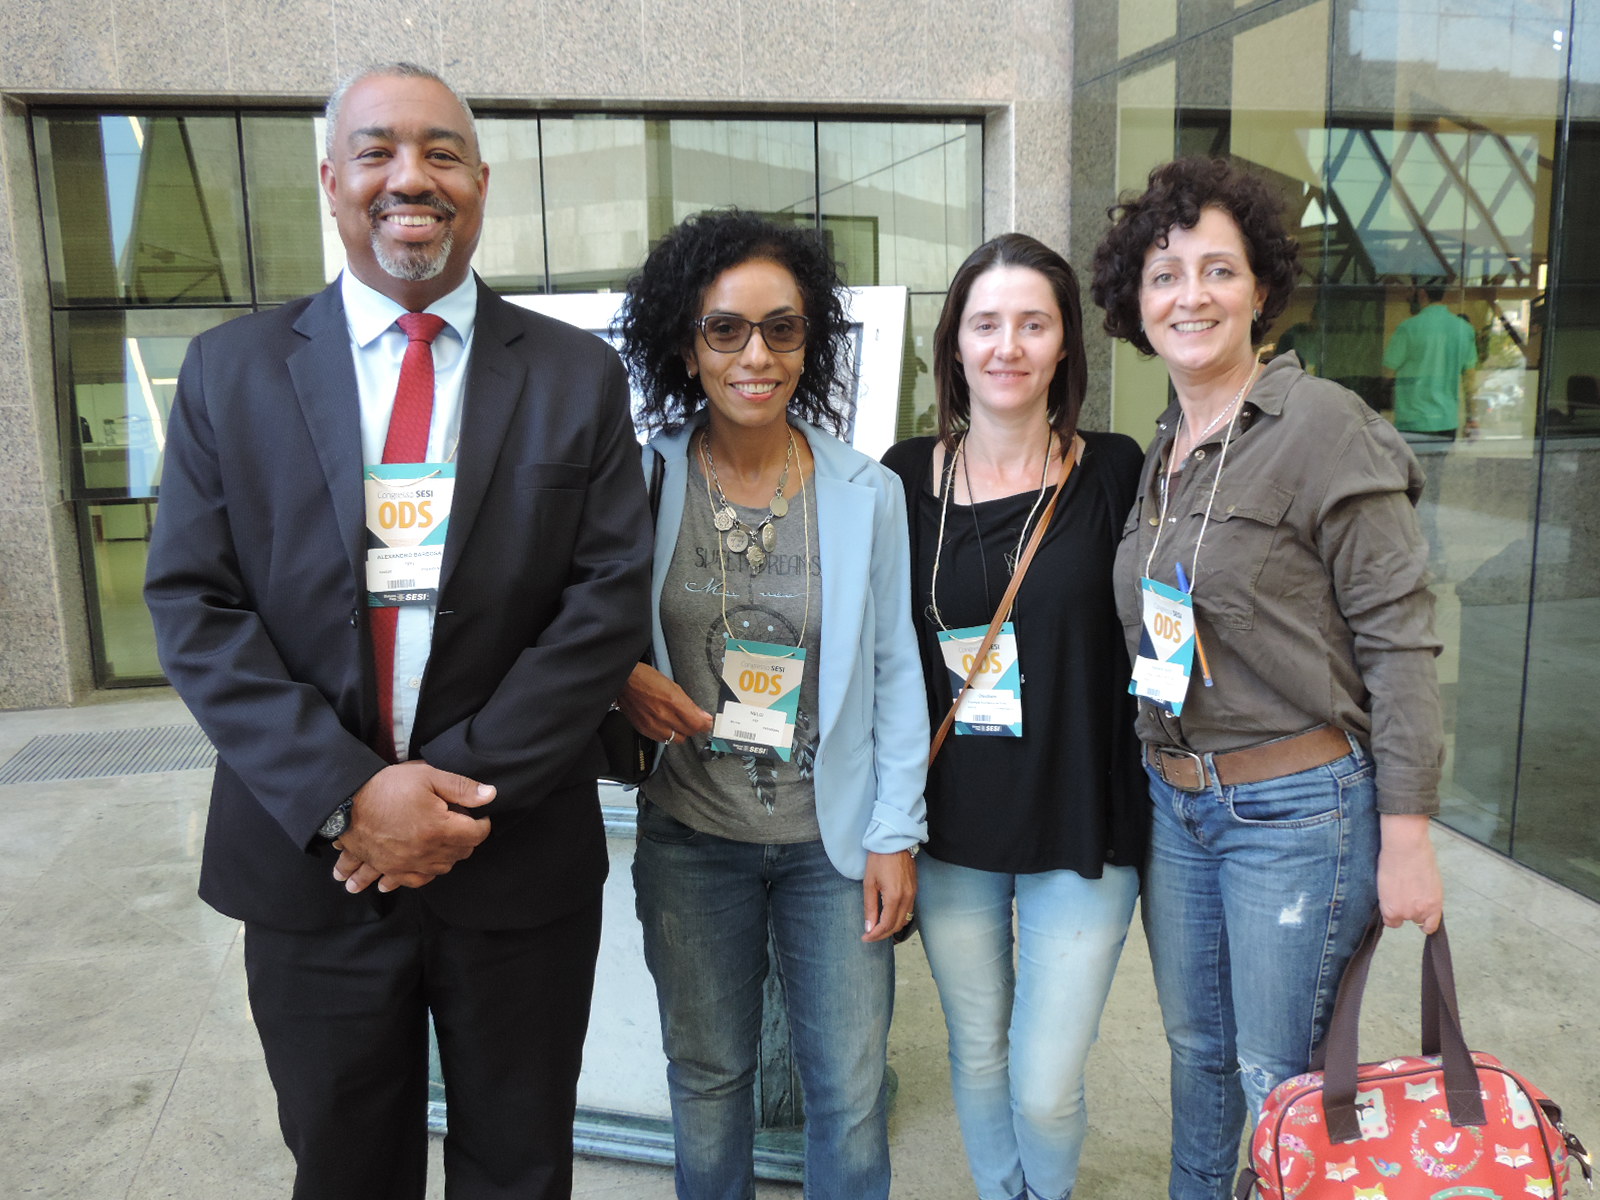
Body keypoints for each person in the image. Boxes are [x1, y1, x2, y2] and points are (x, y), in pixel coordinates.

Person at [144, 63, 652, 1200]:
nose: (407, 178)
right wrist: (352, 795)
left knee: (518, 1166)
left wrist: (449, 793)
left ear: (481, 180)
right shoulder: (232, 373)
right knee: (343, 1166)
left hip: (513, 859)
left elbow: (603, 598)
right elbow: (193, 603)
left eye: (439, 152)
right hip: (316, 866)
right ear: (331, 180)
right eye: (376, 151)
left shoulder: (576, 375)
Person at [1089, 156, 1446, 1200]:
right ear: (1133, 302)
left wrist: (1410, 833)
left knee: (1274, 1078)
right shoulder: (1165, 448)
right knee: (1196, 1057)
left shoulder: (1322, 426)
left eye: (1217, 270)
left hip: (1298, 812)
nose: (1189, 295)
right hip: (1178, 799)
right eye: (1163, 275)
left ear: (1259, 290)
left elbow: (1399, 638)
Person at [612, 209, 928, 1200]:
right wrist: (621, 675)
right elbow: (581, 624)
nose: (756, 354)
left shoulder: (863, 491)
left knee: (846, 1091)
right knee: (708, 1085)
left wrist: (894, 835)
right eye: (726, 329)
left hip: (829, 850)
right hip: (690, 839)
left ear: (811, 341)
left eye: (782, 329)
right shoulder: (640, 477)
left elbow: (892, 672)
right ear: (684, 342)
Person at [881, 234, 1146, 1200]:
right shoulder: (905, 478)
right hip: (952, 820)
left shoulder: (1117, 470)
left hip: (1084, 812)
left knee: (1043, 1081)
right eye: (986, 324)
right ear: (953, 344)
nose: (1008, 346)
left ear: (1066, 343)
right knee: (978, 1051)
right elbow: (880, 653)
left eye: (1033, 323)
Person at [1383, 280, 1478, 439]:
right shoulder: (1464, 329)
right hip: (1447, 422)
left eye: (1411, 291)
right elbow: (1470, 380)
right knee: (1436, 464)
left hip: (1411, 421)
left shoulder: (1408, 328)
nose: (1408, 296)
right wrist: (1472, 418)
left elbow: (1387, 374)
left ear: (1422, 293)